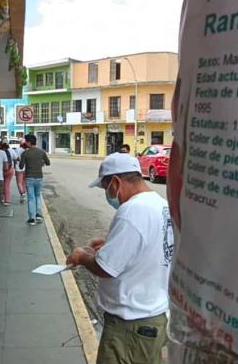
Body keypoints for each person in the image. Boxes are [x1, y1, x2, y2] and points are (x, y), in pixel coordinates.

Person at [66, 153, 174, 364]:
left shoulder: (132, 211)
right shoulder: (160, 205)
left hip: (129, 327)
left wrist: (82, 256)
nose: (107, 195)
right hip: (152, 317)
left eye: (106, 188)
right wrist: (110, 245)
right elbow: (149, 248)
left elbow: (105, 268)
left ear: (115, 182)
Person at [19, 134, 50, 225]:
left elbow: (21, 166)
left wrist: (20, 160)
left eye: (26, 141)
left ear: (29, 142)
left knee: (31, 198)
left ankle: (32, 218)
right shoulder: (41, 152)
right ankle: (39, 215)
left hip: (29, 178)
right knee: (37, 196)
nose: (25, 143)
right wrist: (40, 163)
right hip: (39, 177)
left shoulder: (25, 153)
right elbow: (48, 163)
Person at [0, 141, 16, 206]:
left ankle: (1, 198)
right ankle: (7, 200)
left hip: (1, 171)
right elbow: (17, 158)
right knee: (7, 185)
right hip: (10, 170)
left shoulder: (0, 152)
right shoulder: (11, 151)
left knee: (1, 185)